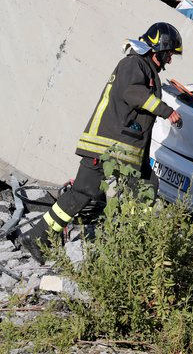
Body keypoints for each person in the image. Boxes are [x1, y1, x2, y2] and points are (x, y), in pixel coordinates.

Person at [18, 22, 184, 264]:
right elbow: (133, 93)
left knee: (144, 186)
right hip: (106, 146)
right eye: (168, 54)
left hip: (122, 150)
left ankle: (138, 244)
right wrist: (165, 110)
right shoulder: (133, 64)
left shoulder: (144, 67)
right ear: (157, 48)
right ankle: (38, 237)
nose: (169, 60)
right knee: (84, 193)